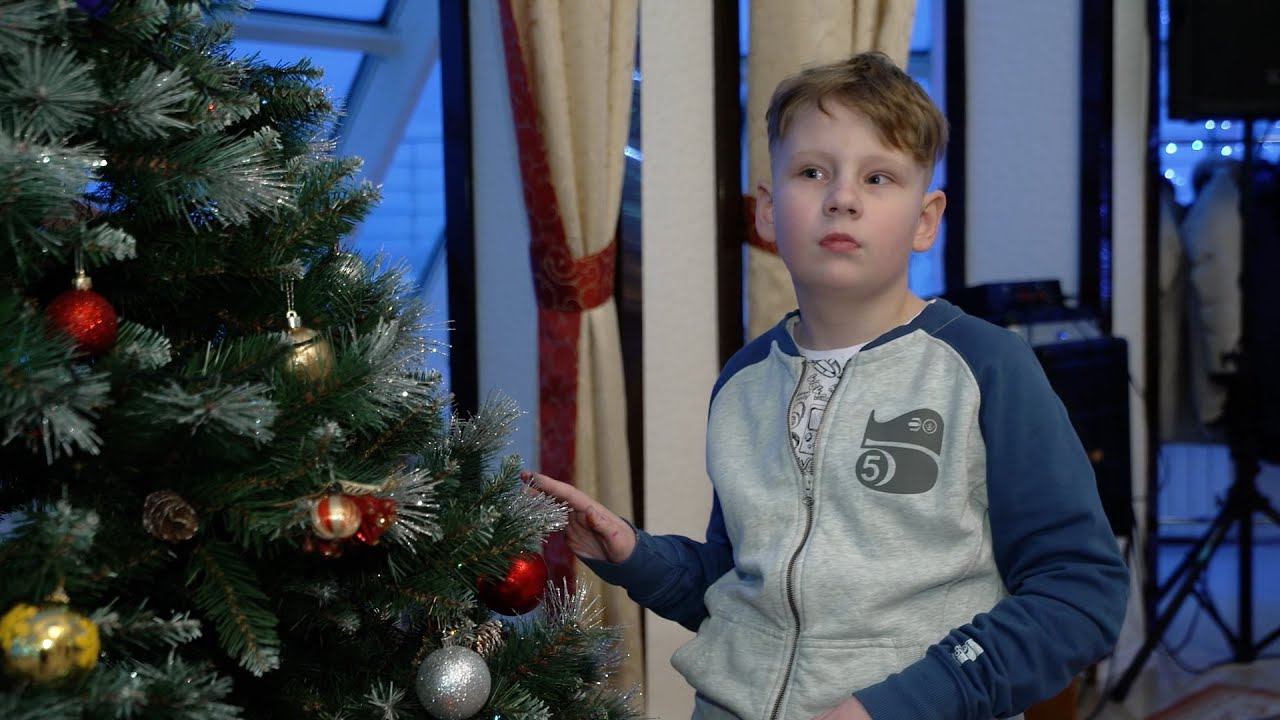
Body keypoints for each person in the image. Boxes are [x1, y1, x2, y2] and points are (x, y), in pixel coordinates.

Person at [524, 51, 1129, 720]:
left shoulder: (986, 368)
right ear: (766, 209)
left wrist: (902, 703)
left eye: (878, 177)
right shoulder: (744, 380)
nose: (842, 197)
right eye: (812, 172)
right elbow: (748, 591)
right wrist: (634, 555)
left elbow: (1081, 595)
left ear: (925, 220)